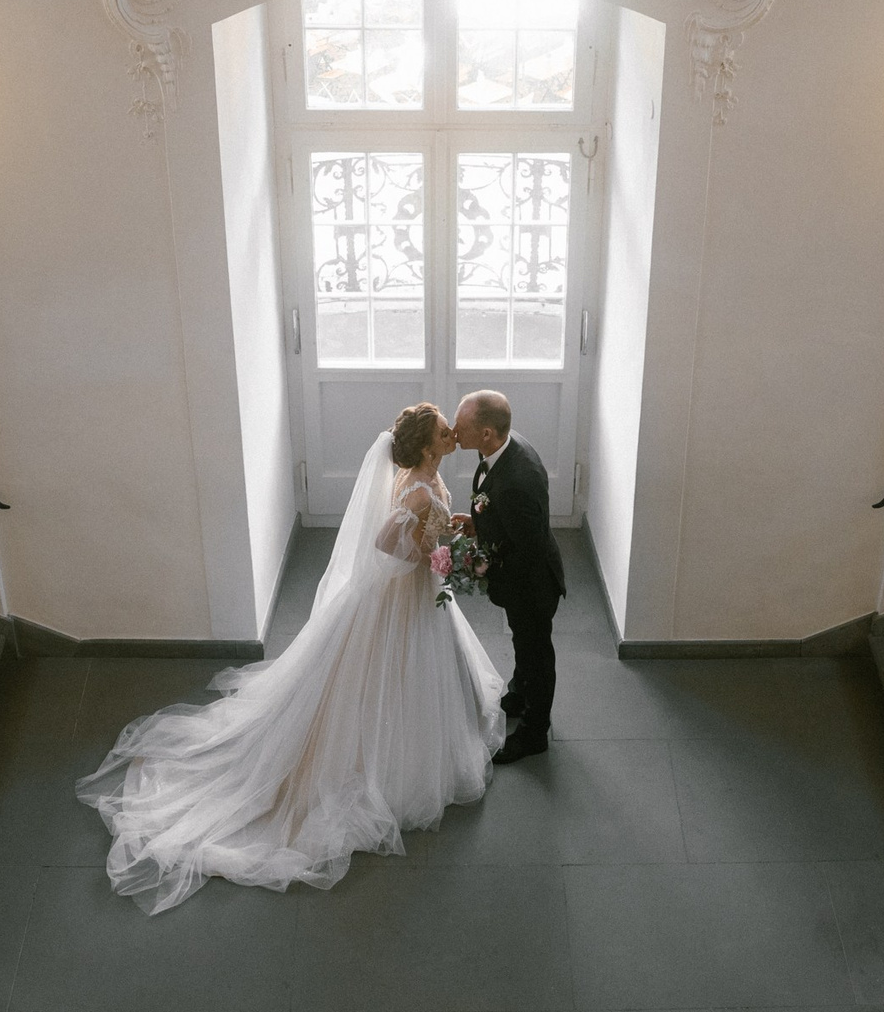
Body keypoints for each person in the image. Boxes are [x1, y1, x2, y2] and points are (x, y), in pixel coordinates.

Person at [77, 403, 505, 914]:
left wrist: (442, 542)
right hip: (401, 601)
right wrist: (434, 556)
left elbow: (423, 528)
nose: (452, 433)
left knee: (418, 674)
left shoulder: (427, 477)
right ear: (428, 444)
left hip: (420, 594)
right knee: (381, 676)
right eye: (443, 430)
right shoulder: (415, 486)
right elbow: (385, 541)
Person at [452, 389, 564, 763]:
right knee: (522, 640)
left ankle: (535, 732)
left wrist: (481, 564)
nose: (454, 430)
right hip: (521, 574)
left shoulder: (518, 480)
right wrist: (478, 524)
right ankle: (519, 692)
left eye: (462, 424)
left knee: (536, 650)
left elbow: (528, 552)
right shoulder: (504, 445)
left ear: (486, 433)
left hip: (531, 584)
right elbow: (506, 515)